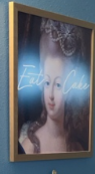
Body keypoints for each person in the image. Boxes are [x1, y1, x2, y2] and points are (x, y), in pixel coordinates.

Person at [19, 18, 89, 154]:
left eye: (58, 85)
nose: (50, 95)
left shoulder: (75, 147)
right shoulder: (30, 146)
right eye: (47, 83)